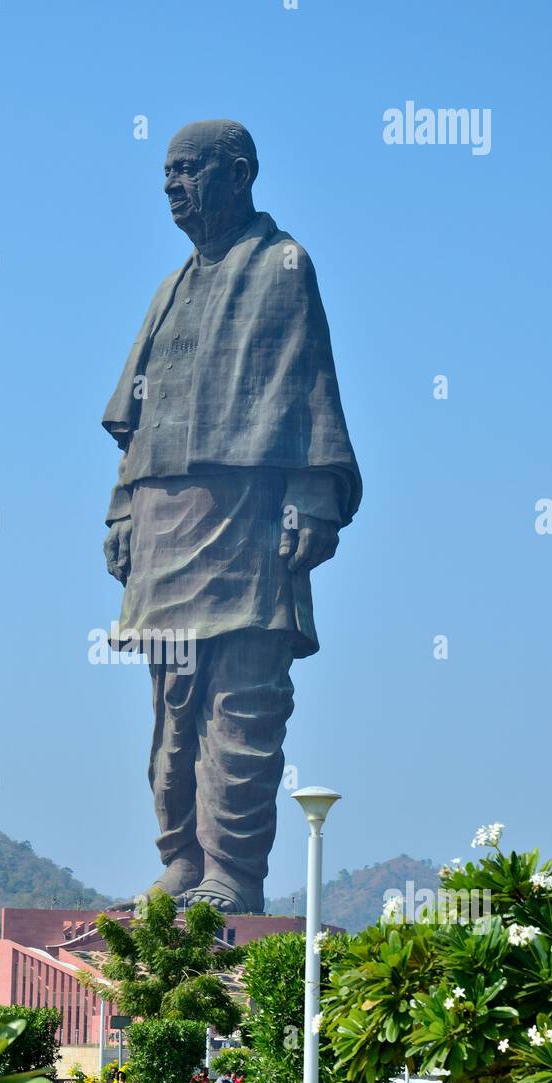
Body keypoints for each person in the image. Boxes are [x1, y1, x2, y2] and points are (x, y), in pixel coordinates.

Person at [102, 120, 361, 914]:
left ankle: (232, 875)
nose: (173, 187)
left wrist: (313, 496)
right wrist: (121, 510)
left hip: (247, 518)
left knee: (243, 700)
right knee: (172, 703)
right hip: (163, 518)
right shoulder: (170, 286)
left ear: (239, 173)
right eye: (166, 174)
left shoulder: (282, 266)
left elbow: (308, 384)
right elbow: (135, 418)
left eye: (189, 171)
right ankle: (180, 859)